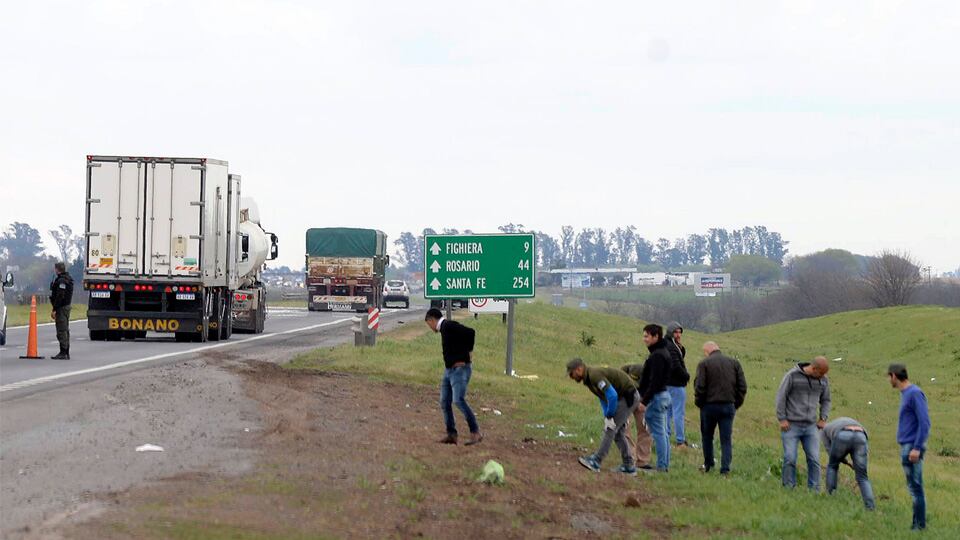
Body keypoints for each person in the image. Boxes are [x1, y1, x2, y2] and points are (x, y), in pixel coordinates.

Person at [567, 358, 640, 475]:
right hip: (622, 397)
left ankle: (596, 461)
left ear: (579, 369)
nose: (571, 377)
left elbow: (612, 396)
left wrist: (611, 415)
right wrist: (607, 415)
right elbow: (603, 397)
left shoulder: (594, 375)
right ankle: (628, 465)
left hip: (628, 396)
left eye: (572, 373)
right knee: (618, 433)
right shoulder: (588, 379)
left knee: (610, 430)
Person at [424, 308, 482, 446]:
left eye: (428, 324)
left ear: (432, 320)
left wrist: (469, 353)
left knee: (458, 400)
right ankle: (452, 434)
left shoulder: (448, 325)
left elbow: (471, 332)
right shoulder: (444, 329)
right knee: (445, 401)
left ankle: (475, 432)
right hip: (449, 370)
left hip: (459, 369)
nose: (430, 327)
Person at [775, 356, 831, 490]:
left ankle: (814, 489)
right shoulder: (792, 376)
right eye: (821, 373)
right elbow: (781, 397)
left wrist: (823, 418)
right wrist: (782, 419)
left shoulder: (823, 380)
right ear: (813, 368)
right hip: (791, 426)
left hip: (811, 427)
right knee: (790, 458)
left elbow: (826, 400)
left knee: (814, 459)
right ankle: (789, 487)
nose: (823, 376)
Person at [888, 363, 930, 531]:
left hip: (912, 447)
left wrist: (917, 448)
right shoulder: (906, 394)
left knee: (916, 488)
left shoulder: (914, 393)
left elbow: (924, 422)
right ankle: (916, 525)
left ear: (894, 376)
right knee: (913, 488)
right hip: (908, 446)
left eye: (889, 377)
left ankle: (919, 527)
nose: (889, 381)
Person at [694, 341, 747, 474]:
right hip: (728, 406)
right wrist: (735, 404)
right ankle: (725, 469)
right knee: (726, 439)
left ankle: (708, 464)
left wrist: (700, 404)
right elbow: (742, 387)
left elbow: (700, 387)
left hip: (709, 406)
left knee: (707, 436)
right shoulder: (734, 363)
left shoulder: (704, 364)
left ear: (707, 351)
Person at [637, 324, 673, 471]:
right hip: (665, 395)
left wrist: (644, 401)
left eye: (647, 336)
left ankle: (662, 466)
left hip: (657, 397)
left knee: (658, 433)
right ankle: (664, 464)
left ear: (656, 336)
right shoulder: (663, 352)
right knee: (663, 432)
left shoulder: (657, 355)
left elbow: (655, 381)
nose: (644, 339)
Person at [821, 417, 875, 510]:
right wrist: (852, 463)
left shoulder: (824, 431)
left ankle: (830, 498)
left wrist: (844, 461)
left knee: (832, 466)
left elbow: (831, 453)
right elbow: (864, 448)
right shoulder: (839, 421)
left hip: (842, 434)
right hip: (860, 434)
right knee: (862, 476)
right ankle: (870, 507)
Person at [621, 361, 654, 470]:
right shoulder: (628, 372)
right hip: (626, 398)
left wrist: (643, 402)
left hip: (643, 400)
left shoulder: (654, 376)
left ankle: (642, 460)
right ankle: (630, 458)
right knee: (625, 428)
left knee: (645, 428)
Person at [664, 322, 690, 448]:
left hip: (667, 384)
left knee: (668, 412)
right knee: (678, 412)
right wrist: (686, 376)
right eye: (676, 332)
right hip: (676, 384)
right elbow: (676, 366)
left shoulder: (669, 345)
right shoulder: (671, 347)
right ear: (670, 333)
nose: (678, 334)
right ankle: (680, 440)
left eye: (680, 332)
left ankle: (666, 437)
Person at [49, 262, 74, 360]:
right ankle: (65, 351)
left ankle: (63, 352)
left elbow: (60, 295)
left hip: (62, 307)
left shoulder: (62, 281)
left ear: (57, 269)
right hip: (65, 306)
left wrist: (55, 309)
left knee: (62, 330)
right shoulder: (66, 278)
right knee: (64, 329)